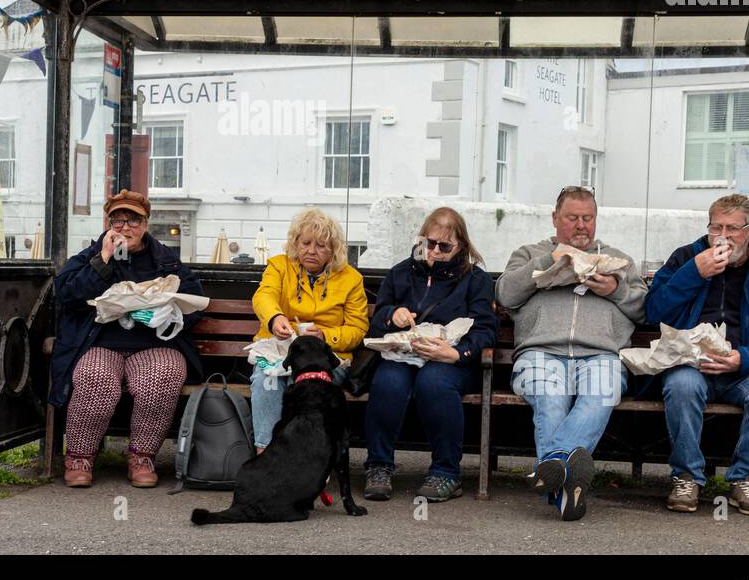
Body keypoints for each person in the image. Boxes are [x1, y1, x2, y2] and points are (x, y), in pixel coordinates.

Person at [646, 194, 749, 517]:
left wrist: (743, 357)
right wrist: (694, 272)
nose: (723, 236)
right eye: (716, 227)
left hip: (745, 367)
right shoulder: (685, 259)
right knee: (681, 386)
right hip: (691, 363)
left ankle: (746, 479)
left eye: (733, 228)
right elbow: (653, 311)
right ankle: (686, 477)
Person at [495, 186, 646, 520]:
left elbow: (643, 309)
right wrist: (549, 262)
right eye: (573, 218)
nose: (581, 225)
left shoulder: (619, 260)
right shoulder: (529, 252)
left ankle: (554, 469)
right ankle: (566, 484)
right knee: (550, 397)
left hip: (601, 354)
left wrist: (615, 290)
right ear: (555, 219)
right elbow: (505, 294)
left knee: (603, 392)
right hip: (540, 351)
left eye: (588, 218)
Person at [49, 190, 206, 488]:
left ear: (145, 224)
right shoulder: (91, 257)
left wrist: (166, 313)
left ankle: (141, 457)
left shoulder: (165, 260)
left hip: (152, 343)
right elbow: (67, 294)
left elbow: (194, 302)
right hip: (100, 343)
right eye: (117, 221)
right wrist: (103, 260)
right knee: (96, 377)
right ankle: (80, 457)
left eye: (133, 220)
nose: (125, 228)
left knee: (165, 373)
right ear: (108, 225)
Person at [363, 207, 498, 503]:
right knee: (388, 382)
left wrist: (456, 352)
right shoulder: (401, 272)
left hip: (451, 359)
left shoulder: (475, 280)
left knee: (434, 383)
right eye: (430, 242)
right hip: (403, 353)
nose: (435, 251)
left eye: (444, 246)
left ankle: (446, 471)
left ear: (460, 246)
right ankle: (379, 466)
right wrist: (392, 316)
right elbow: (376, 319)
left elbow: (486, 329)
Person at [249, 208, 369, 452]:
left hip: (326, 360)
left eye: (321, 245)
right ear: (295, 242)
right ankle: (267, 453)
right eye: (305, 243)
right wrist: (274, 317)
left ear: (334, 249)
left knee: (309, 384)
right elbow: (264, 295)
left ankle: (308, 455)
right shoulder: (279, 266)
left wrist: (325, 336)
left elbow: (357, 329)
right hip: (280, 353)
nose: (311, 251)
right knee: (266, 381)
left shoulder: (351, 279)